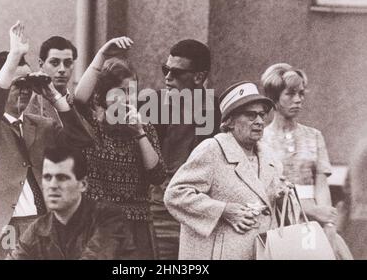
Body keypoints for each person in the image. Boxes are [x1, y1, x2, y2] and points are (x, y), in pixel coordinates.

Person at [0, 21, 89, 259]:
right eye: (18, 84)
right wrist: (14, 56)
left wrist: (55, 97)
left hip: (40, 225)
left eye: (29, 84)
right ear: (2, 86)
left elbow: (81, 141)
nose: (25, 90)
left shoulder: (42, 125)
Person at [164, 81, 288, 260]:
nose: (260, 121)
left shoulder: (271, 158)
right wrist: (223, 210)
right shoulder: (212, 150)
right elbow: (175, 194)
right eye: (251, 115)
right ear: (230, 121)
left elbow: (276, 210)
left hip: (262, 253)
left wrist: (283, 197)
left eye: (262, 114)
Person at [74, 37, 166, 259]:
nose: (129, 99)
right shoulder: (91, 125)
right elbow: (78, 99)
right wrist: (102, 54)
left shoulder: (143, 125)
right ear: (104, 94)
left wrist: (140, 134)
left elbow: (157, 175)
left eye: (132, 92)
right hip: (98, 226)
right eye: (122, 92)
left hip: (136, 227)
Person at [260, 63, 352, 259]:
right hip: (278, 221)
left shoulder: (314, 136)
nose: (298, 100)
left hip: (314, 222)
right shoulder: (261, 140)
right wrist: (310, 209)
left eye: (301, 94)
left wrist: (327, 224)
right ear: (274, 97)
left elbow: (321, 184)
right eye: (290, 94)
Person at [150, 39, 221, 260]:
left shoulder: (217, 113)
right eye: (165, 69)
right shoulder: (155, 107)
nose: (167, 78)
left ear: (199, 77)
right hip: (160, 212)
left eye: (176, 72)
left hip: (198, 215)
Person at [8, 146, 134, 260]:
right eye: (47, 177)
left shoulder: (108, 218)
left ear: (83, 185)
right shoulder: (40, 228)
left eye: (62, 178)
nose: (52, 185)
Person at [25, 36, 78, 122]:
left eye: (67, 63)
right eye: (54, 63)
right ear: (41, 64)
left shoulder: (78, 105)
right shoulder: (29, 106)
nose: (62, 69)